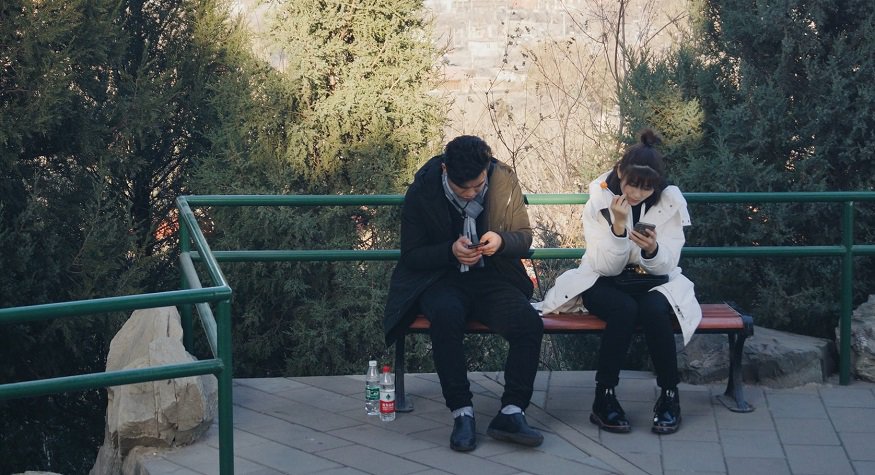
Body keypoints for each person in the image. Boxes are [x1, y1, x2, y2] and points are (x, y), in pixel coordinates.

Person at [383, 135, 544, 451]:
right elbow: (412, 254)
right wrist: (449, 251)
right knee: (445, 317)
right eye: (463, 189)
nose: (472, 193)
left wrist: (500, 242)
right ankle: (462, 412)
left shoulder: (502, 180)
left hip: (493, 276)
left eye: (478, 185)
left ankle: (512, 411)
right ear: (445, 171)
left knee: (528, 324)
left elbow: (524, 237)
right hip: (440, 280)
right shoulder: (423, 191)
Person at [534, 129, 701, 435]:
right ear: (619, 172)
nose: (637, 194)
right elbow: (604, 266)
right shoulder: (599, 199)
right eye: (632, 185)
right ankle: (604, 397)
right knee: (623, 310)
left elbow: (670, 261)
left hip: (653, 281)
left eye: (646, 189)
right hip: (603, 280)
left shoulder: (670, 201)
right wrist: (619, 228)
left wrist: (652, 249)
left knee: (653, 310)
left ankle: (669, 395)